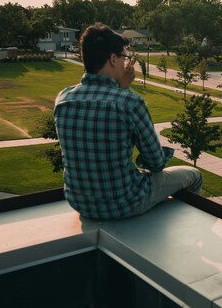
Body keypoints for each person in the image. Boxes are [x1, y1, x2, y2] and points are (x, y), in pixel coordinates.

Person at [54, 23, 202, 220]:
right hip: (126, 203)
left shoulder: (63, 99)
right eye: (125, 57)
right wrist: (123, 91)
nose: (127, 63)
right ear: (113, 59)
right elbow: (156, 163)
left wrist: (120, 89)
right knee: (193, 175)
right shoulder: (129, 102)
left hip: (80, 203)